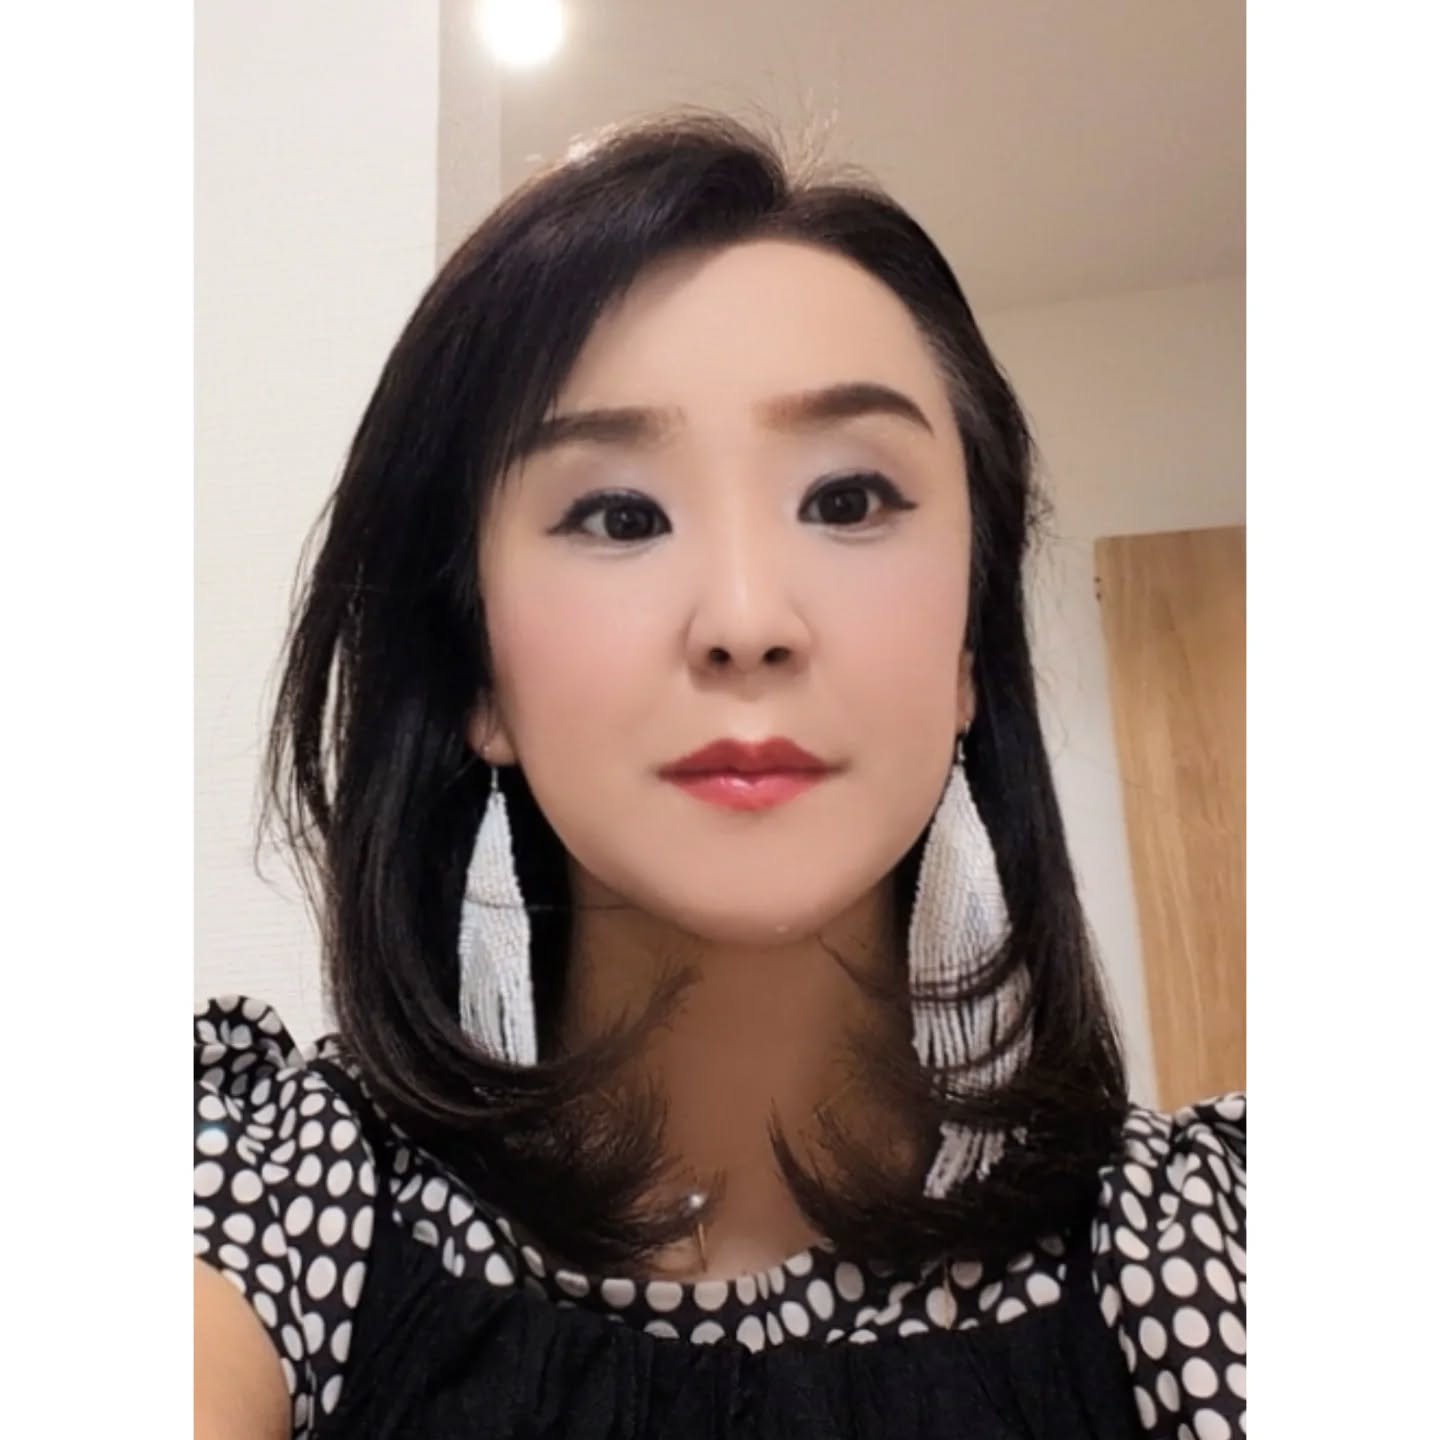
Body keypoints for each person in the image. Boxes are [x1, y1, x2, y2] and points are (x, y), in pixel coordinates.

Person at [194, 112, 1245, 1440]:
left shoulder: (1204, 1248)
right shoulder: (274, 1195)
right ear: (478, 676)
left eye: (849, 500)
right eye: (619, 514)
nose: (748, 619)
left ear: (969, 652)